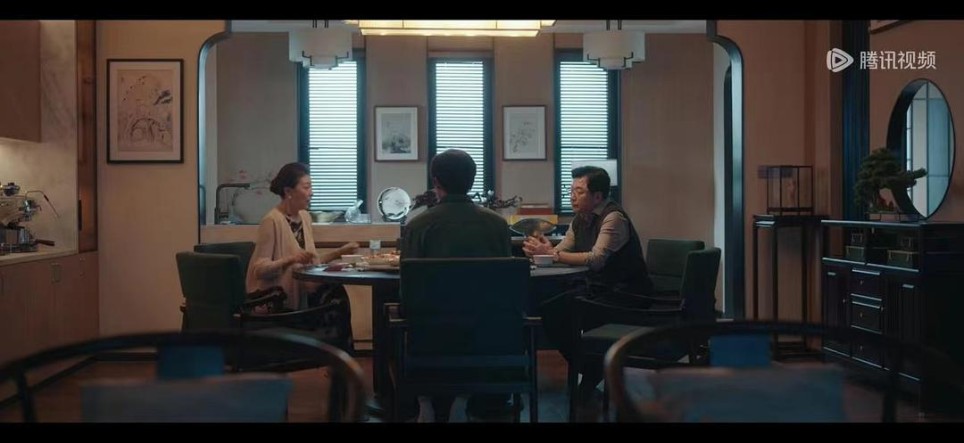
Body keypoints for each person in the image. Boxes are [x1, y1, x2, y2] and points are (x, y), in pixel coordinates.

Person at [523, 165, 654, 401]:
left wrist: (552, 254)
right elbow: (561, 251)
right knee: (549, 306)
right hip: (599, 289)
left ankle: (590, 367)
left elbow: (596, 259)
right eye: (571, 190)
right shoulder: (579, 219)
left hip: (626, 293)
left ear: (598, 196)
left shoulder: (613, 218)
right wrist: (542, 252)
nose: (572, 196)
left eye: (579, 191)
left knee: (559, 311)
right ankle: (589, 366)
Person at [399, 149, 513, 422]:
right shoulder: (497, 224)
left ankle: (421, 401)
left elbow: (409, 289)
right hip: (488, 333)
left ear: (436, 181)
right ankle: (477, 398)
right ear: (472, 180)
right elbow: (505, 283)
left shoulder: (418, 225)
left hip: (432, 333)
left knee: (396, 314)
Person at [246, 162, 359, 339]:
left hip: (303, 292)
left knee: (336, 294)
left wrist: (339, 252)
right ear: (288, 191)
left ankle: (337, 352)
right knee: (334, 299)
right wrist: (291, 259)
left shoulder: (305, 218)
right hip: (277, 301)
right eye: (306, 187)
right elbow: (259, 270)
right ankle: (334, 351)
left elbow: (310, 261)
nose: (311, 193)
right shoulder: (272, 221)